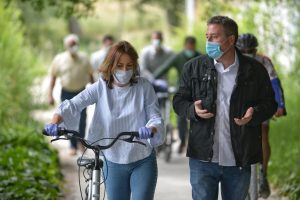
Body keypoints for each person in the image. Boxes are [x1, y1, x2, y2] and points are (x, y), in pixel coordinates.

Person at [173, 15, 277, 200]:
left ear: (231, 40)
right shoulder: (193, 67)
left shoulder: (254, 70)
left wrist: (255, 114)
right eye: (207, 36)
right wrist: (192, 110)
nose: (208, 41)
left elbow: (270, 104)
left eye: (214, 37)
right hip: (202, 158)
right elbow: (179, 101)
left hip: (239, 159)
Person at [44, 41, 165, 200]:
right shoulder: (100, 87)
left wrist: (151, 128)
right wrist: (54, 122)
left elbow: (155, 116)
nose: (124, 70)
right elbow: (73, 105)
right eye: (119, 65)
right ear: (110, 65)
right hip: (113, 160)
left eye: (129, 66)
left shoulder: (143, 87)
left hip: (142, 159)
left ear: (135, 66)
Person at [236, 33, 287, 199]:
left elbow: (275, 83)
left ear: (255, 50)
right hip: (239, 104)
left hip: (261, 103)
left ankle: (263, 174)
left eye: (250, 50)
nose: (247, 53)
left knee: (264, 134)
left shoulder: (264, 60)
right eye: (243, 50)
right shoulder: (232, 59)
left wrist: (280, 105)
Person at [153, 36, 201, 154]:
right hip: (182, 90)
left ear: (194, 46)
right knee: (181, 118)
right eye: (188, 46)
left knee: (198, 116)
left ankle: (196, 143)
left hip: (198, 90)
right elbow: (165, 68)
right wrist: (152, 79)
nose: (190, 48)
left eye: (192, 46)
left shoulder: (200, 57)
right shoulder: (178, 57)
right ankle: (182, 141)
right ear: (185, 46)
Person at [48, 34, 94, 155]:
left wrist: (97, 92)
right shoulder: (59, 59)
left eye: (75, 44)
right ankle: (72, 145)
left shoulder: (84, 58)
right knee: (68, 118)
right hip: (66, 92)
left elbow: (91, 75)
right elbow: (53, 77)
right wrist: (50, 95)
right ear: (66, 46)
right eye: (71, 44)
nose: (73, 46)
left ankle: (81, 142)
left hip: (82, 91)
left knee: (82, 118)